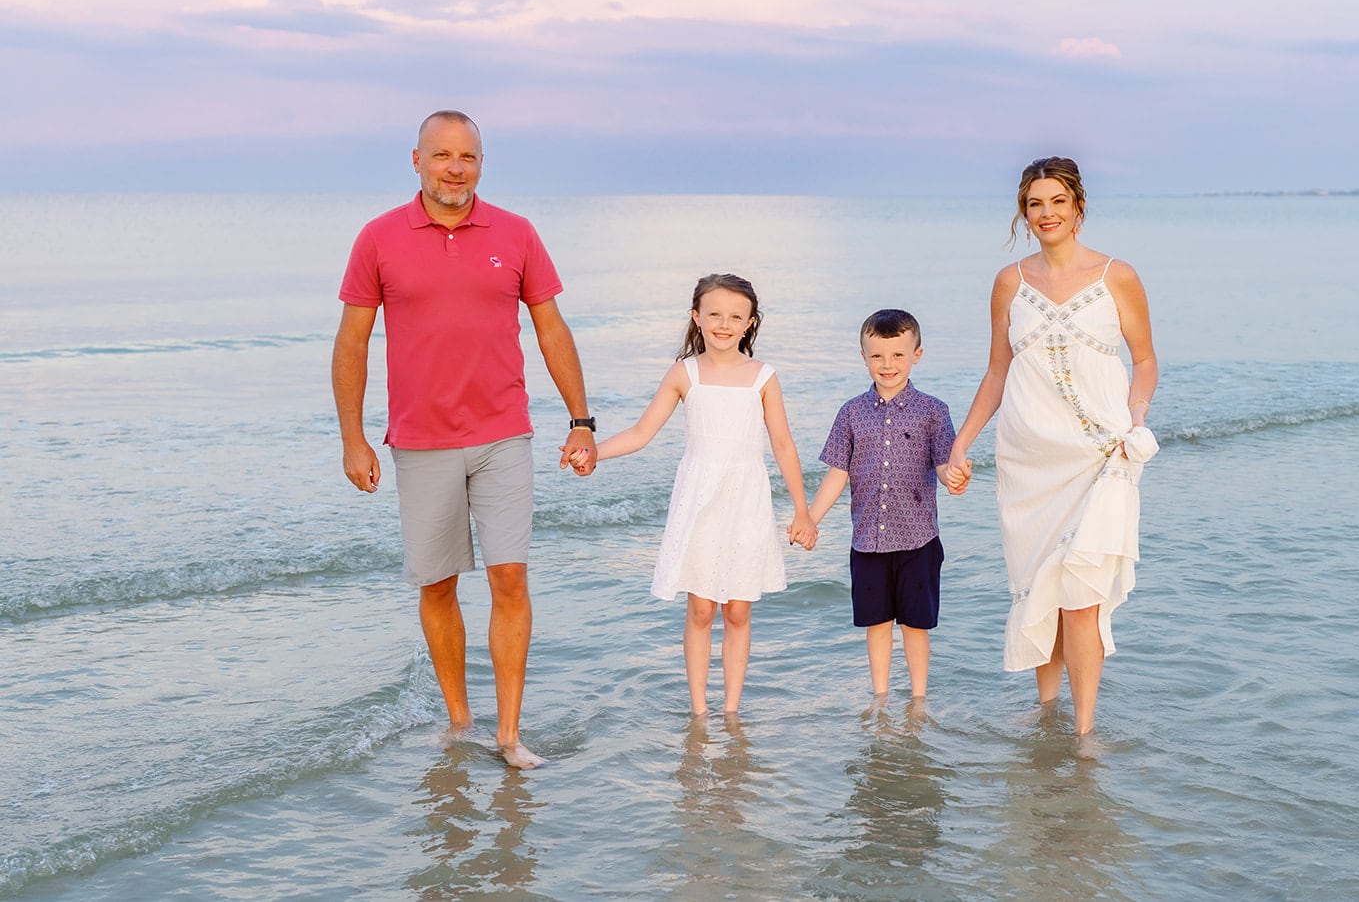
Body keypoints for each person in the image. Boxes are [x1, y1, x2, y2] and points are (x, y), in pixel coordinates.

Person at [331, 110, 596, 770]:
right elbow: (352, 342)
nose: (455, 167)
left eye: (468, 157)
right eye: (442, 155)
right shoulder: (378, 238)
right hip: (421, 440)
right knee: (439, 582)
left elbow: (551, 328)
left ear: (482, 163)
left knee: (510, 576)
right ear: (416, 159)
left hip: (504, 432)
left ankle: (509, 734)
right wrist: (352, 439)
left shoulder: (517, 233)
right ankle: (459, 718)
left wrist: (581, 420)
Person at [947, 157, 1159, 736]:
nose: (1046, 213)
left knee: (1081, 596)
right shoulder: (1009, 283)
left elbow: (1143, 361)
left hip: (1101, 454)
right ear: (1024, 212)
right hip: (1028, 459)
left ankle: (1084, 735)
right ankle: (1047, 719)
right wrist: (960, 446)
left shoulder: (1118, 276)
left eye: (1057, 202)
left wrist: (1135, 418)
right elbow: (996, 373)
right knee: (1041, 585)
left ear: (1079, 209)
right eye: (1035, 204)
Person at [570, 274, 817, 716]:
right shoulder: (684, 374)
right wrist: (594, 454)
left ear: (750, 323)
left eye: (735, 316)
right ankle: (700, 712)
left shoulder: (764, 377)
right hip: (700, 499)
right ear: (696, 317)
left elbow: (783, 444)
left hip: (746, 501)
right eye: (715, 314)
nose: (724, 323)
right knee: (701, 610)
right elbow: (642, 433)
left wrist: (802, 510)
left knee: (738, 611)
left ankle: (731, 711)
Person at [809, 309, 959, 703]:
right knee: (876, 624)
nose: (887, 365)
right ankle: (879, 698)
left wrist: (954, 478)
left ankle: (918, 701)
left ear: (917, 355)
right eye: (877, 356)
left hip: (919, 540)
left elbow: (945, 466)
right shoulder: (851, 413)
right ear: (864, 357)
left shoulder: (933, 411)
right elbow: (837, 474)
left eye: (897, 355)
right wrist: (810, 518)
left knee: (915, 625)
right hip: (868, 542)